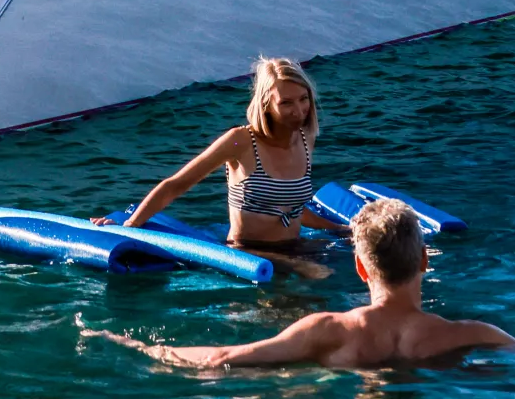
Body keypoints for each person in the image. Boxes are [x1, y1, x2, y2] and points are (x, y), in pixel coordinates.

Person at [82, 197, 515, 369]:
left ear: (360, 268)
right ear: (425, 259)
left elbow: (222, 359)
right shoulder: (470, 333)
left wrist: (128, 343)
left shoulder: (327, 329)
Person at [108, 57, 345, 277]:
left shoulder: (305, 137)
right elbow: (176, 185)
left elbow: (289, 207)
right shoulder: (240, 141)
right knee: (312, 284)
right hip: (247, 254)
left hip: (295, 247)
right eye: (286, 103)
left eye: (303, 99)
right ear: (265, 105)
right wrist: (131, 226)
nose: (299, 110)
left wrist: (340, 228)